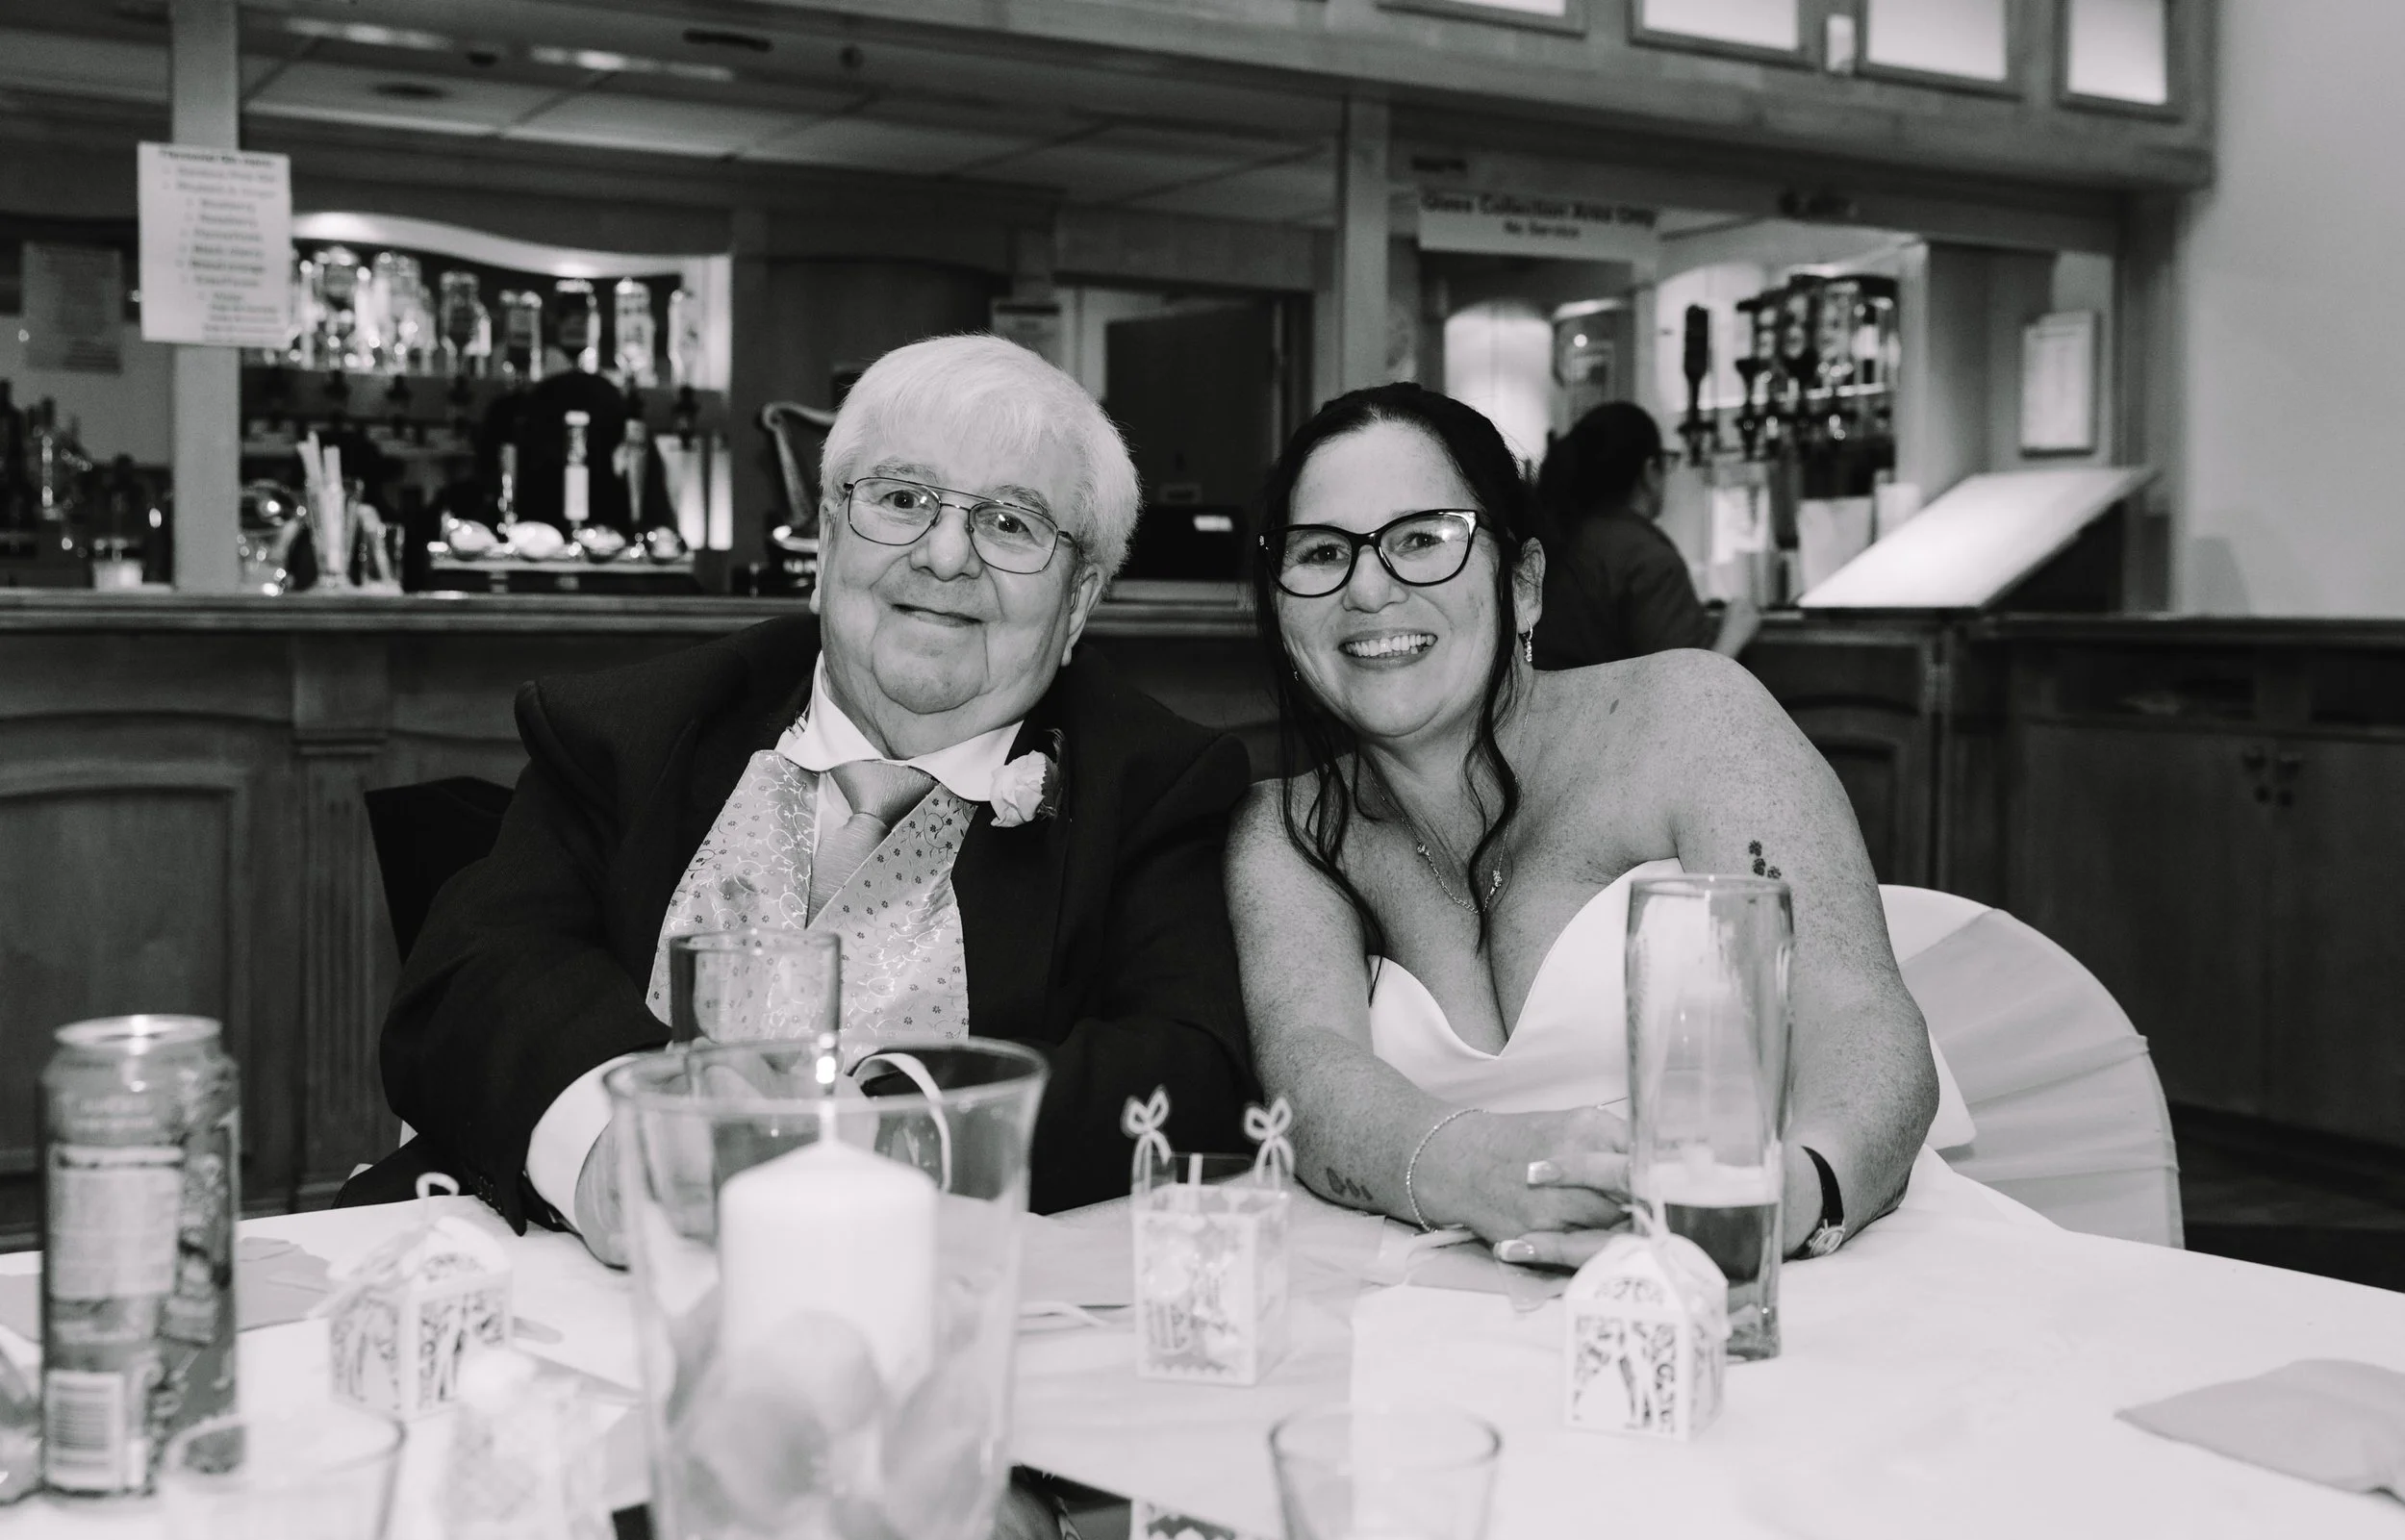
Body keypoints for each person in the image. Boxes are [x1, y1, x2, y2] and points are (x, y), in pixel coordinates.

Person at [364, 332, 1255, 1248]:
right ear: (827, 543)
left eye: (1010, 523)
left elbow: (1191, 1068)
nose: (947, 555)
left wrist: (890, 1131)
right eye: (902, 500)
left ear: (1078, 602)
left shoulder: (1153, 784)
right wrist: (619, 1145)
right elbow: (476, 971)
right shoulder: (636, 729)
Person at [1226, 384, 1934, 1269]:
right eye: (1322, 552)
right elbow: (1309, 1074)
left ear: (1523, 586)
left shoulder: (1691, 717)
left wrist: (1784, 1199)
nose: (1367, 588)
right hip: (1454, 1308)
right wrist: (1474, 1172)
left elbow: (1859, 1016)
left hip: (1801, 1273)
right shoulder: (1286, 834)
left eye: (1423, 539)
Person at [1531, 400, 1759, 666]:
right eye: (1666, 463)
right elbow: (1682, 682)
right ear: (1650, 470)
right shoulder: (1648, 559)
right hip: (1616, 695)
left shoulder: (1551, 537)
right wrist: (1734, 634)